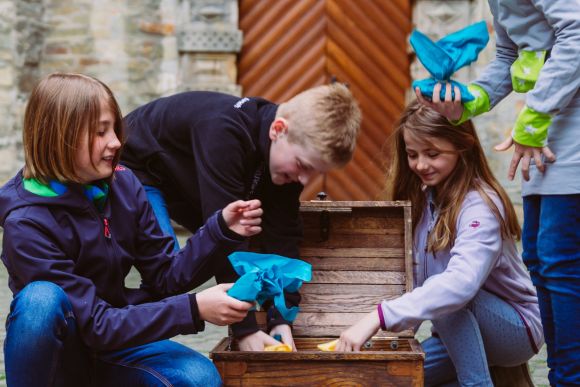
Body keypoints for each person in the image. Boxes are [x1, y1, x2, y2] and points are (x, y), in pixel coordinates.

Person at [0, 73, 263, 386]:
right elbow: (94, 323)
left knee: (199, 379)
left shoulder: (122, 183)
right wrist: (194, 308)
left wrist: (220, 230)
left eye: (114, 128)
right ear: (60, 138)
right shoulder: (27, 222)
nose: (115, 142)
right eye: (100, 132)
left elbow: (166, 277)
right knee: (40, 301)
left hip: (114, 343)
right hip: (61, 358)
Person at [120, 84, 361, 351]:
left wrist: (281, 317)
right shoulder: (223, 132)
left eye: (314, 172)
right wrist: (244, 330)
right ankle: (120, 333)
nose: (304, 180)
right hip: (138, 168)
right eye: (303, 166)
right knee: (166, 276)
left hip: (183, 175)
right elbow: (228, 236)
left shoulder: (286, 156)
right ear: (278, 130)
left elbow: (283, 235)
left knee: (235, 247)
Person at [415, 1, 580, 384]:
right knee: (540, 261)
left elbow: (576, 33)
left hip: (562, 128)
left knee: (560, 264)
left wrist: (535, 114)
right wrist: (468, 101)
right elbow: (510, 55)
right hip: (540, 133)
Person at [336, 101, 543, 386]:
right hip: (456, 330)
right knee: (396, 378)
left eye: (432, 154)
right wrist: (386, 342)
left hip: (516, 328)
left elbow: (459, 285)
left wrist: (379, 317)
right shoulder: (426, 202)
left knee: (450, 294)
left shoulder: (480, 205)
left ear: (462, 147)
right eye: (412, 154)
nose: (420, 164)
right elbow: (418, 283)